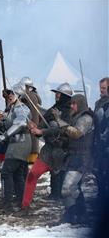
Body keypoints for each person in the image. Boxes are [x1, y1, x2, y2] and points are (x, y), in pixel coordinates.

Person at [18, 82, 73, 216]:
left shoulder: (70, 112)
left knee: (69, 186)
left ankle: (72, 213)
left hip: (63, 152)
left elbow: (62, 129)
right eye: (56, 94)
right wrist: (34, 127)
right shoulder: (53, 109)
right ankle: (25, 207)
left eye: (59, 94)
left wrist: (42, 131)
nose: (57, 96)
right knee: (32, 175)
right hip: (48, 151)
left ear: (65, 96)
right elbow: (42, 125)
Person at [0, 83, 32, 213]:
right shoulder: (12, 109)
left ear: (19, 95)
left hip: (20, 143)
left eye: (12, 93)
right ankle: (22, 202)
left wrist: (5, 136)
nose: (10, 95)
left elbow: (21, 123)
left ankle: (8, 203)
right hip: (15, 143)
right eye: (9, 93)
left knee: (6, 172)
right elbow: (6, 126)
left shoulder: (21, 108)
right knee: (16, 175)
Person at [56, 94, 94, 224]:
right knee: (73, 188)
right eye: (71, 103)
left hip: (82, 157)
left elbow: (76, 133)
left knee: (67, 188)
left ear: (80, 104)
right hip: (73, 156)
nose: (71, 106)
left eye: (74, 104)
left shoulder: (86, 118)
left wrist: (60, 122)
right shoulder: (75, 117)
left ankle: (73, 215)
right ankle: (77, 215)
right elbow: (70, 136)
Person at [93, 77, 109, 202]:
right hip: (99, 144)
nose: (101, 90)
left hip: (106, 142)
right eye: (101, 88)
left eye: (104, 88)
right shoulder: (98, 103)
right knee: (99, 173)